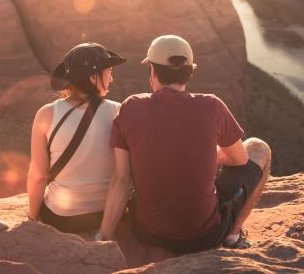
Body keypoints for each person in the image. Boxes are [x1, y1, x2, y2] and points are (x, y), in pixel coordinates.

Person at [96, 35, 271, 251]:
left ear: (152, 71)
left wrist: (102, 240)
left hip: (148, 232)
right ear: (189, 72)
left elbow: (122, 179)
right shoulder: (213, 106)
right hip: (204, 237)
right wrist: (207, 153)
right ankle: (233, 238)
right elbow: (240, 159)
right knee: (258, 148)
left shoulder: (131, 107)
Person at [27, 42, 126, 232]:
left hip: (60, 218)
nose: (112, 79)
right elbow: (124, 175)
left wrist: (32, 218)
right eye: (109, 72)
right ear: (93, 77)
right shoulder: (119, 111)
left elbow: (38, 176)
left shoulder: (46, 114)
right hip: (104, 215)